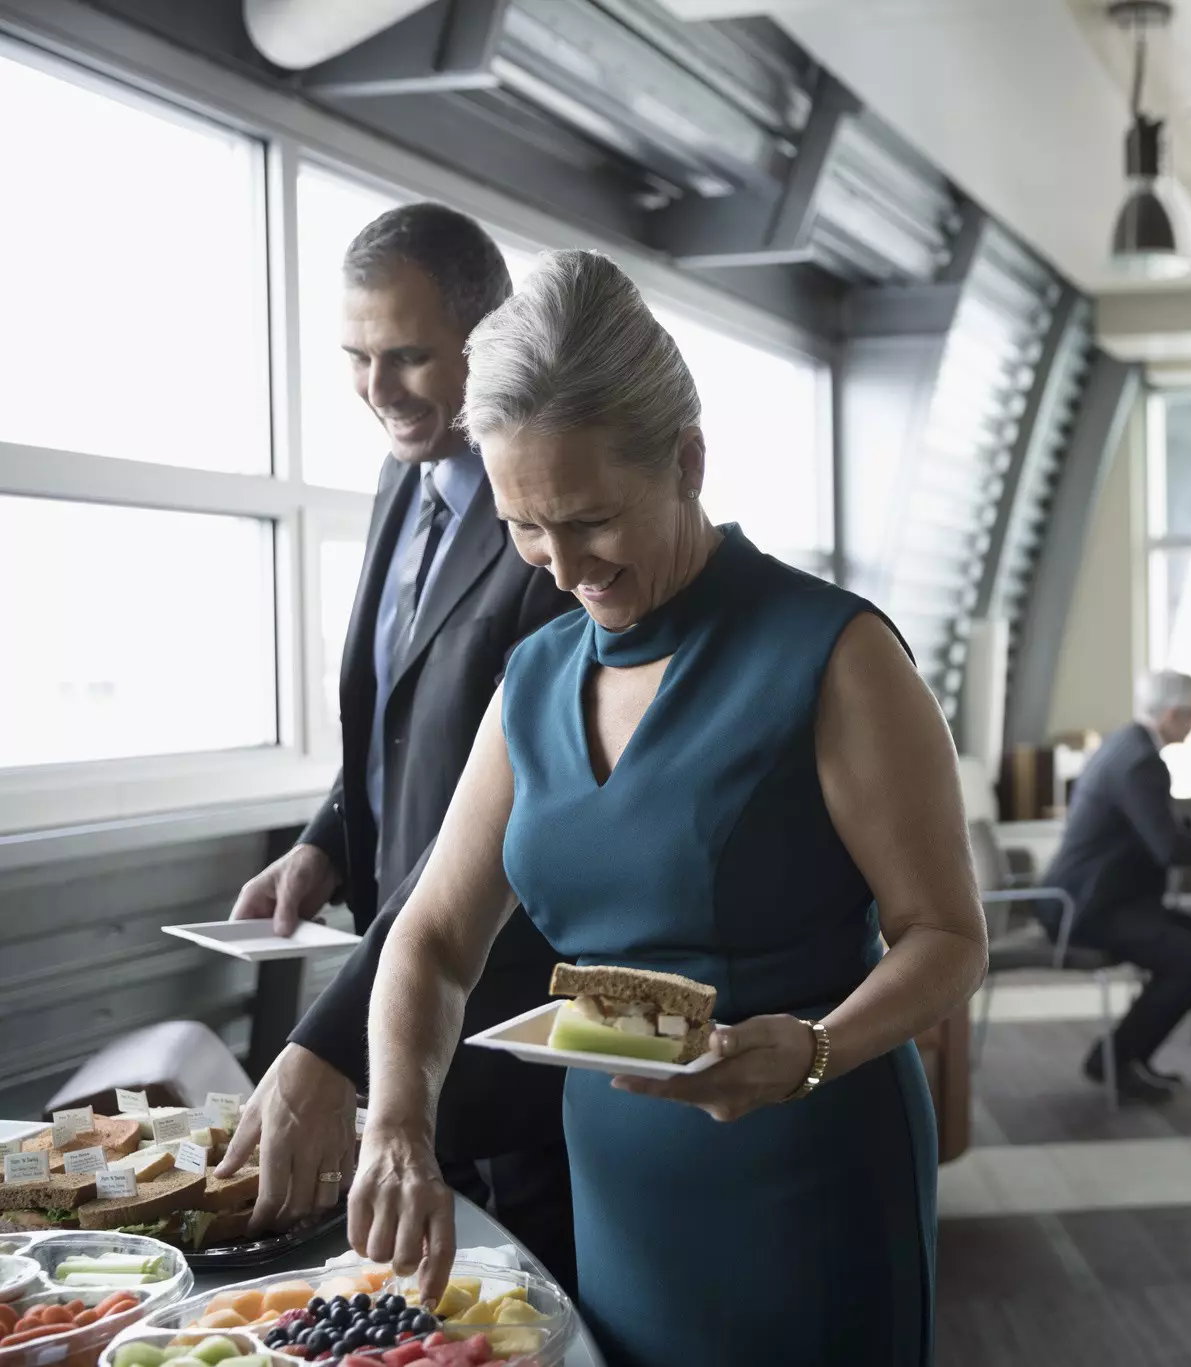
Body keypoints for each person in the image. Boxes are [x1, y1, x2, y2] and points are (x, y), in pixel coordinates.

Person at [345, 249, 986, 1367]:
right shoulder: (535, 676)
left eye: (589, 518)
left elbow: (948, 935)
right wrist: (398, 1117)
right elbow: (437, 935)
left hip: (810, 1165)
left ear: (686, 460)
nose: (560, 565)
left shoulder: (833, 653)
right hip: (617, 1177)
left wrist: (820, 1048)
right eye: (523, 526)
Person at [220, 205, 578, 1286]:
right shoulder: (402, 477)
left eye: (410, 355)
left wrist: (324, 1042)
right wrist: (326, 843)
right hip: (403, 1006)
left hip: (509, 1012)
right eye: (357, 357)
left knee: (540, 1300)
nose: (378, 387)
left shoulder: (548, 527)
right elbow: (397, 718)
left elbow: (502, 794)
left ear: (491, 338)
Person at [1042, 670, 1191, 1103]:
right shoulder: (1142, 762)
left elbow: (1149, 825)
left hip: (1093, 899)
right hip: (1089, 910)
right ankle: (1114, 1060)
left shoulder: (1124, 744)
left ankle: (1131, 1055)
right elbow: (1168, 850)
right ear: (1173, 714)